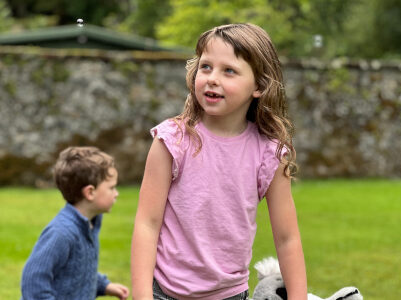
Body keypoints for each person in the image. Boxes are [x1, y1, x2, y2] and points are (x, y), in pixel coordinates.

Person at [131, 23, 307, 300]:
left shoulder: (268, 154)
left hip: (231, 295)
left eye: (229, 71)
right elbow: (147, 223)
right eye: (206, 67)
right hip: (164, 293)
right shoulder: (172, 140)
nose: (212, 78)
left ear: (259, 86)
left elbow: (287, 239)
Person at [21, 146, 130, 300]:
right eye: (111, 188)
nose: (116, 193)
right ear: (90, 192)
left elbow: (77, 272)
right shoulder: (61, 233)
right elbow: (33, 281)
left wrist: (103, 285)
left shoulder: (89, 225)